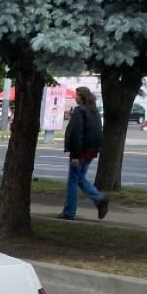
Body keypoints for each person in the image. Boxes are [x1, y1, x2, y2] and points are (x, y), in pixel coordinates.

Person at [60, 87, 108, 220]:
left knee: (73, 181)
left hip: (79, 152)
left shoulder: (79, 111)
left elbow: (76, 133)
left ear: (81, 96)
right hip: (90, 151)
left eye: (76, 95)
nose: (75, 97)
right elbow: (98, 133)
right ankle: (99, 200)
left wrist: (75, 155)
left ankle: (69, 212)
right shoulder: (94, 111)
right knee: (80, 179)